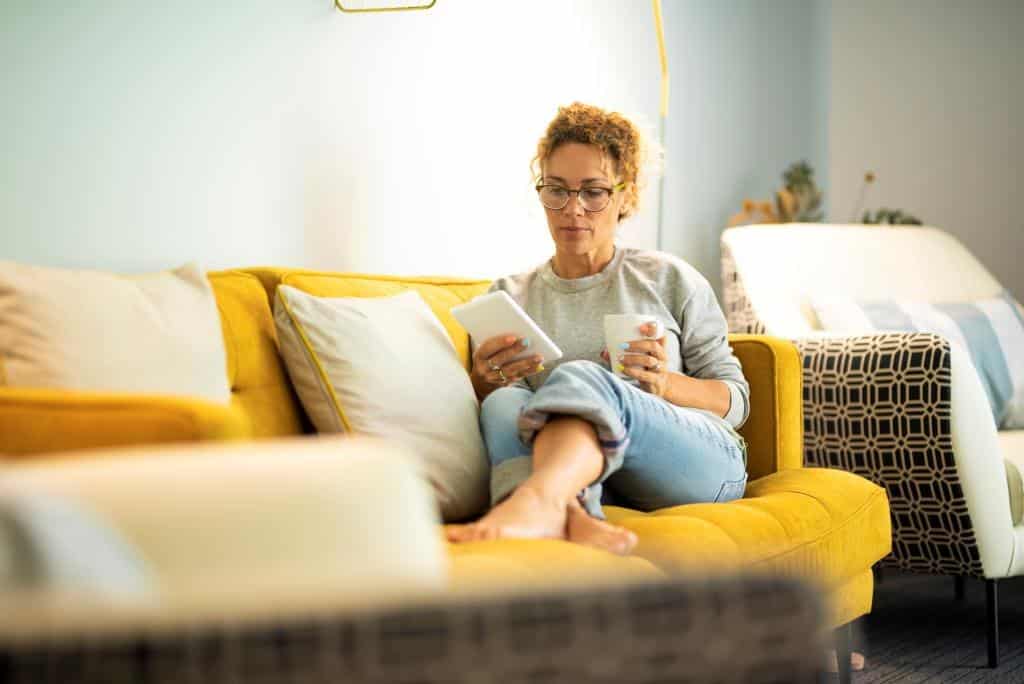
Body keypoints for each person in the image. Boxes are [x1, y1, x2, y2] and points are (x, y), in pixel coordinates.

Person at [445, 102, 749, 556]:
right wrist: (483, 385)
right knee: (509, 399)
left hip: (697, 462)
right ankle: (576, 516)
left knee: (582, 375)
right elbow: (501, 415)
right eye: (557, 190)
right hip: (602, 480)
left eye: (593, 191)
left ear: (626, 195)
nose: (573, 209)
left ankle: (532, 502)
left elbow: (736, 401)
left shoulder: (670, 279)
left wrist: (664, 384)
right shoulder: (507, 295)